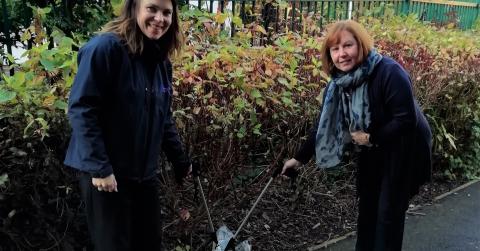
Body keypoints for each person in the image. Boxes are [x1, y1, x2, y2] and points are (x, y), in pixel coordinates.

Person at [282, 20, 432, 251]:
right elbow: (322, 126)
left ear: (361, 45)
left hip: (404, 146)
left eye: (348, 46)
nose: (342, 54)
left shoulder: (389, 72)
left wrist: (372, 138)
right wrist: (299, 158)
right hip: (372, 147)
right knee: (368, 209)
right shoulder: (339, 84)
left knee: (388, 214)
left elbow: (405, 120)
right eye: (335, 49)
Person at [64, 0, 192, 249]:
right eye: (152, 9)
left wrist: (181, 160)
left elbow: (163, 117)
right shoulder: (104, 48)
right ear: (134, 8)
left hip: (143, 176)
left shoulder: (161, 63)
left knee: (149, 243)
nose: (160, 18)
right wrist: (100, 168)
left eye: (167, 12)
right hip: (106, 175)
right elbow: (82, 108)